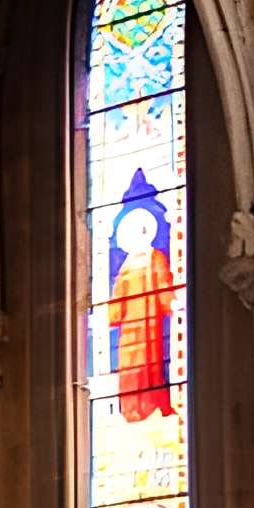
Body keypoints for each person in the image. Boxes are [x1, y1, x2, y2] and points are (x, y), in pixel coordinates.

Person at [101, 167, 178, 422]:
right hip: (130, 330)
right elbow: (116, 300)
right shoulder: (124, 267)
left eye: (143, 231)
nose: (140, 235)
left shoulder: (155, 258)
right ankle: (131, 409)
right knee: (130, 369)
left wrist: (171, 304)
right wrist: (110, 316)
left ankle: (153, 406)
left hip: (150, 326)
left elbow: (164, 287)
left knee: (151, 367)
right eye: (136, 232)